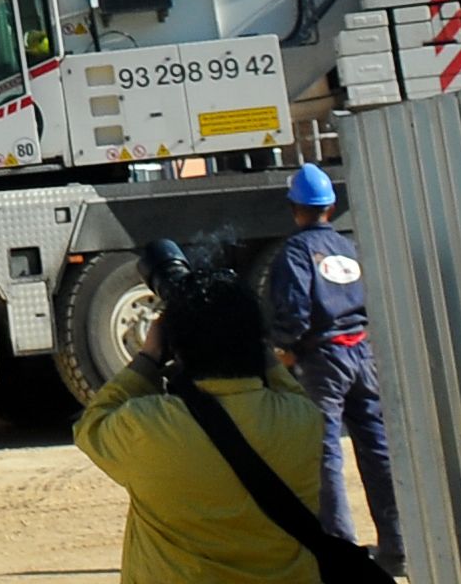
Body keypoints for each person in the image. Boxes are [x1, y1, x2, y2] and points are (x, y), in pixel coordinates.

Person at [72, 246, 343, 584]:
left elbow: (92, 424)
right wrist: (244, 331)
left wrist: (149, 356)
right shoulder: (302, 420)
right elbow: (281, 380)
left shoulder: (147, 428)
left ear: (177, 345)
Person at [266, 163, 404, 571]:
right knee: (377, 449)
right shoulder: (349, 246)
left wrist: (285, 347)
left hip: (323, 360)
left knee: (324, 453)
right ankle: (398, 547)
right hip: (363, 354)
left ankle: (341, 555)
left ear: (295, 208)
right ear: (330, 206)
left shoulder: (295, 252)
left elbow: (293, 311)